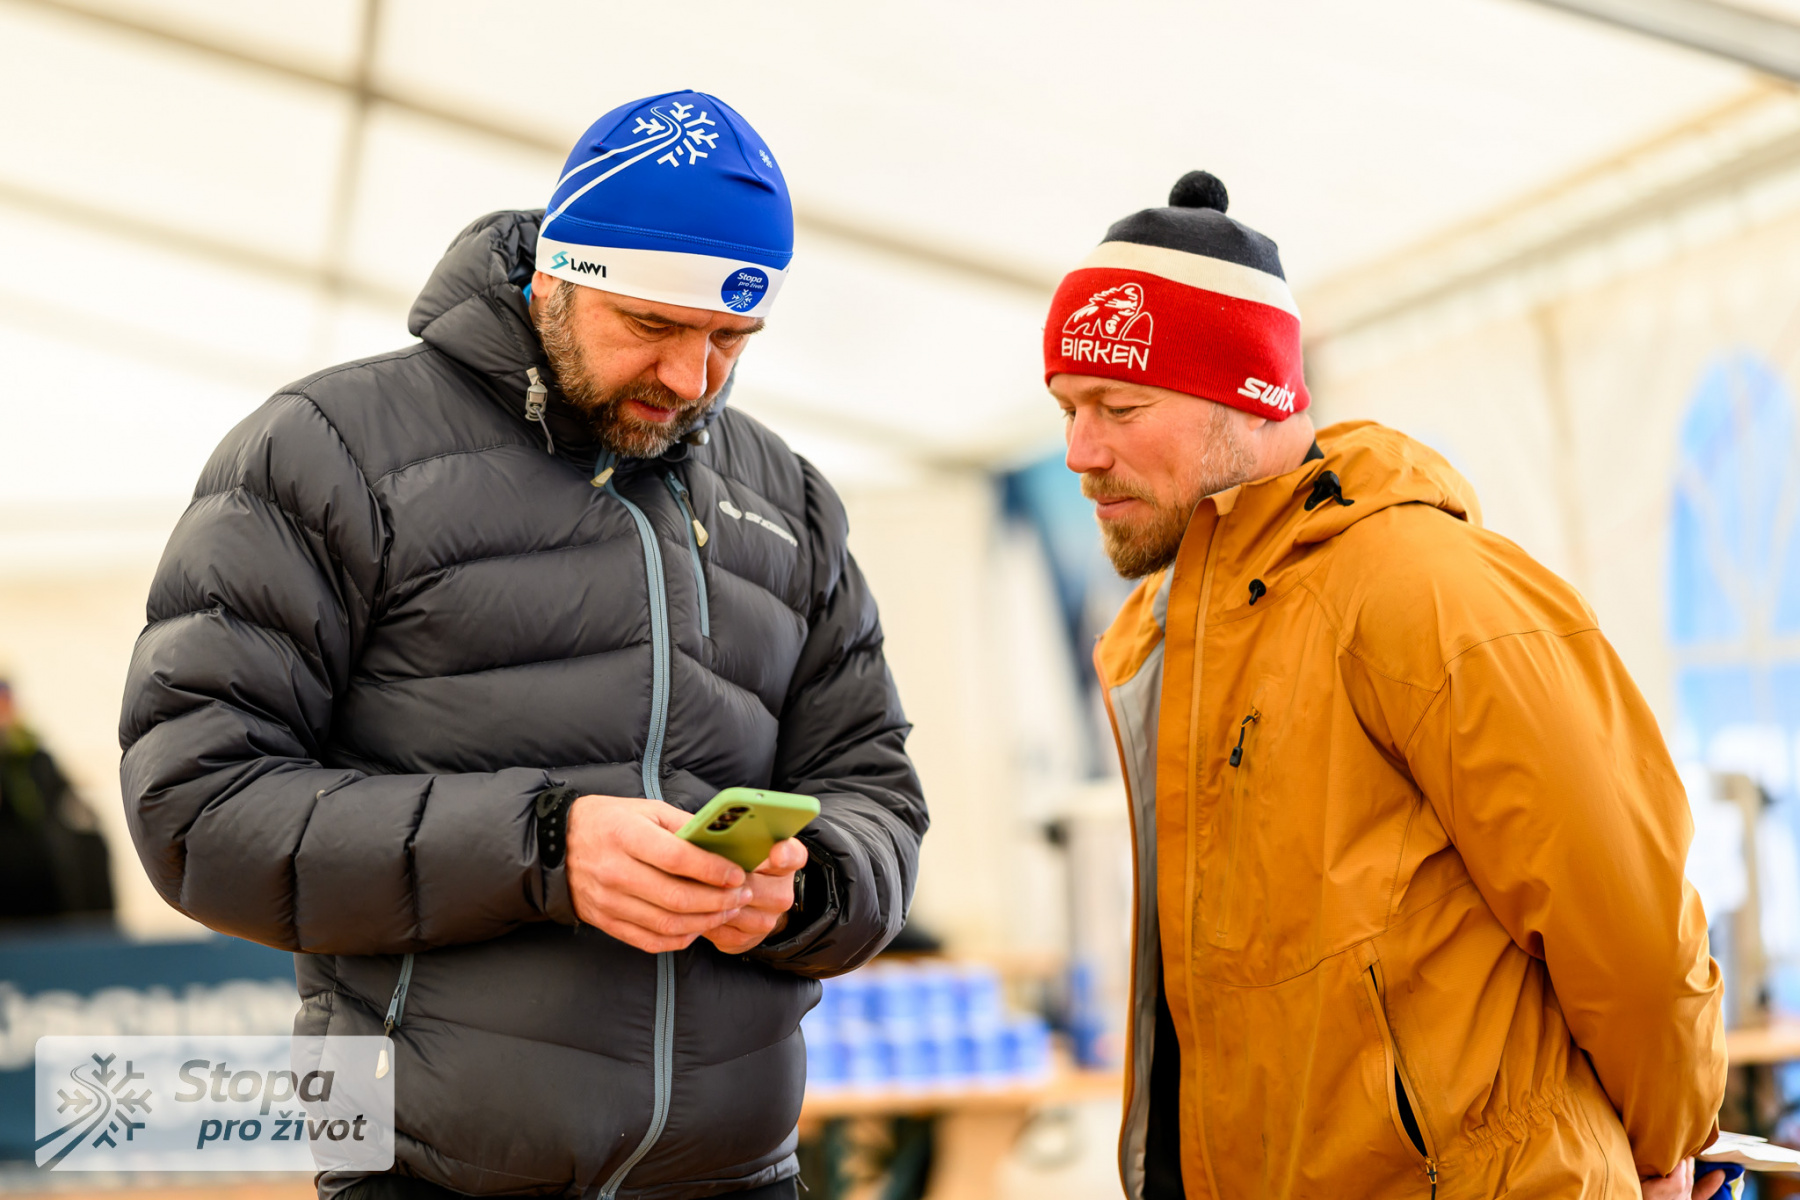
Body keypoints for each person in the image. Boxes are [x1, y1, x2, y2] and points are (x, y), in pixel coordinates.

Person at [119, 90, 927, 1200]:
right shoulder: (326, 453)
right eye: (651, 326)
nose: (691, 380)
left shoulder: (787, 499)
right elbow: (197, 810)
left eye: (730, 340)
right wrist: (546, 846)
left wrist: (806, 889)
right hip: (423, 1171)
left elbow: (877, 792)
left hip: (741, 1172)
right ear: (557, 276)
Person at [1047, 171, 1727, 1200]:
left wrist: (1668, 1143)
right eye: (1066, 408)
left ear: (1249, 394)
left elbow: (1629, 922)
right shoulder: (1157, 639)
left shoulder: (1423, 589)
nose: (1078, 452)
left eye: (1119, 406)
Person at [0, 673, 113, 921]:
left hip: (44, 858)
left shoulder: (38, 758)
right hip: (12, 860)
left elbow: (63, 800)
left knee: (90, 845)